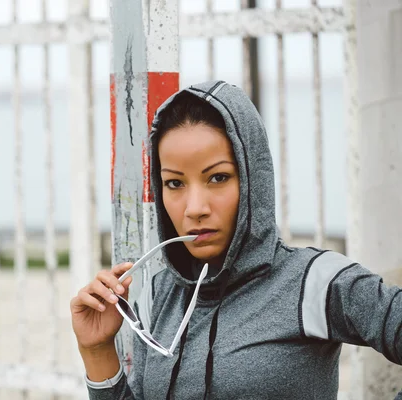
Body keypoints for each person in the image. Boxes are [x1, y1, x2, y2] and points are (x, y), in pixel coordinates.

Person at [70, 81, 402, 399]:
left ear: (252, 179)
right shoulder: (160, 294)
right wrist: (97, 351)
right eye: (174, 183)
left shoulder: (316, 283)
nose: (195, 208)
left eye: (218, 177)